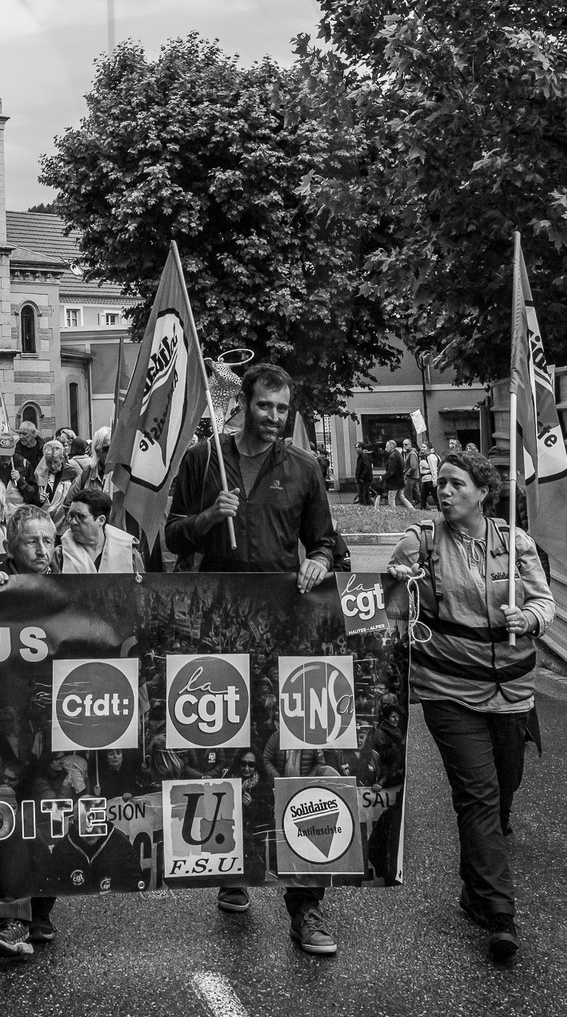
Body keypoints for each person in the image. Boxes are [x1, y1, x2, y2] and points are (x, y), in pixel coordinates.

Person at [164, 362, 348, 957]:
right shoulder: (203, 459)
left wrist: (319, 560)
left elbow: (325, 541)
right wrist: (207, 519)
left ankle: (307, 906)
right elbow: (170, 536)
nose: (274, 417)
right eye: (265, 406)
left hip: (284, 635)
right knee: (225, 758)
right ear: (243, 403)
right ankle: (233, 870)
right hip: (213, 634)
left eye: (282, 408)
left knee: (296, 758)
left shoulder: (303, 468)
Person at [386, 446, 554, 963]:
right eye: (443, 483)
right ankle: (501, 915)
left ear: (484, 493)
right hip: (449, 688)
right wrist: (399, 580)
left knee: (502, 792)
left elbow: (545, 602)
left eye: (459, 483)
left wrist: (527, 619)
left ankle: (474, 889)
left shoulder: (515, 541)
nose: (446, 490)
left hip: (512, 692)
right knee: (477, 795)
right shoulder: (422, 539)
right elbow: (393, 602)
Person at [0, 505, 60, 958]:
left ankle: (40, 910)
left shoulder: (68, 583)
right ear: (11, 544)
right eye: (32, 541)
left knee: (49, 813)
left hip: (50, 726)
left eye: (48, 540)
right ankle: (6, 920)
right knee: (5, 815)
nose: (43, 550)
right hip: (2, 729)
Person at [58, 486, 143, 573]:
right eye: (71, 516)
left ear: (101, 520)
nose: (73, 522)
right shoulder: (60, 554)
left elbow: (142, 584)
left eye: (80, 517)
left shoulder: (128, 552)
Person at [26, 439, 79, 520]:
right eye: (49, 462)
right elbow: (32, 500)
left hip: (64, 520)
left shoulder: (71, 473)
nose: (53, 466)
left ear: (61, 459)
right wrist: (39, 499)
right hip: (45, 519)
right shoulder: (39, 475)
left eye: (55, 462)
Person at [11, 419, 44, 495]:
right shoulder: (15, 450)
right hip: (22, 487)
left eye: (25, 434)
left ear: (34, 434)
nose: (21, 436)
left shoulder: (43, 449)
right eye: (20, 434)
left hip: (40, 486)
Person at [381, 440, 404, 512]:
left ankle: (392, 512)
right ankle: (412, 509)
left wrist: (383, 477)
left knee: (391, 497)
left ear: (391, 447)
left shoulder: (392, 456)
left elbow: (391, 471)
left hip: (394, 481)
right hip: (400, 479)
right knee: (401, 496)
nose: (385, 449)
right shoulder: (398, 454)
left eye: (386, 447)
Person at [354, 444, 374, 508]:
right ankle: (370, 505)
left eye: (357, 448)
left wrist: (362, 477)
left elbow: (366, 467)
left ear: (361, 448)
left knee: (362, 494)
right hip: (364, 479)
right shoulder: (362, 456)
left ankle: (364, 506)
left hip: (364, 479)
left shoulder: (363, 456)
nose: (356, 449)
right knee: (365, 494)